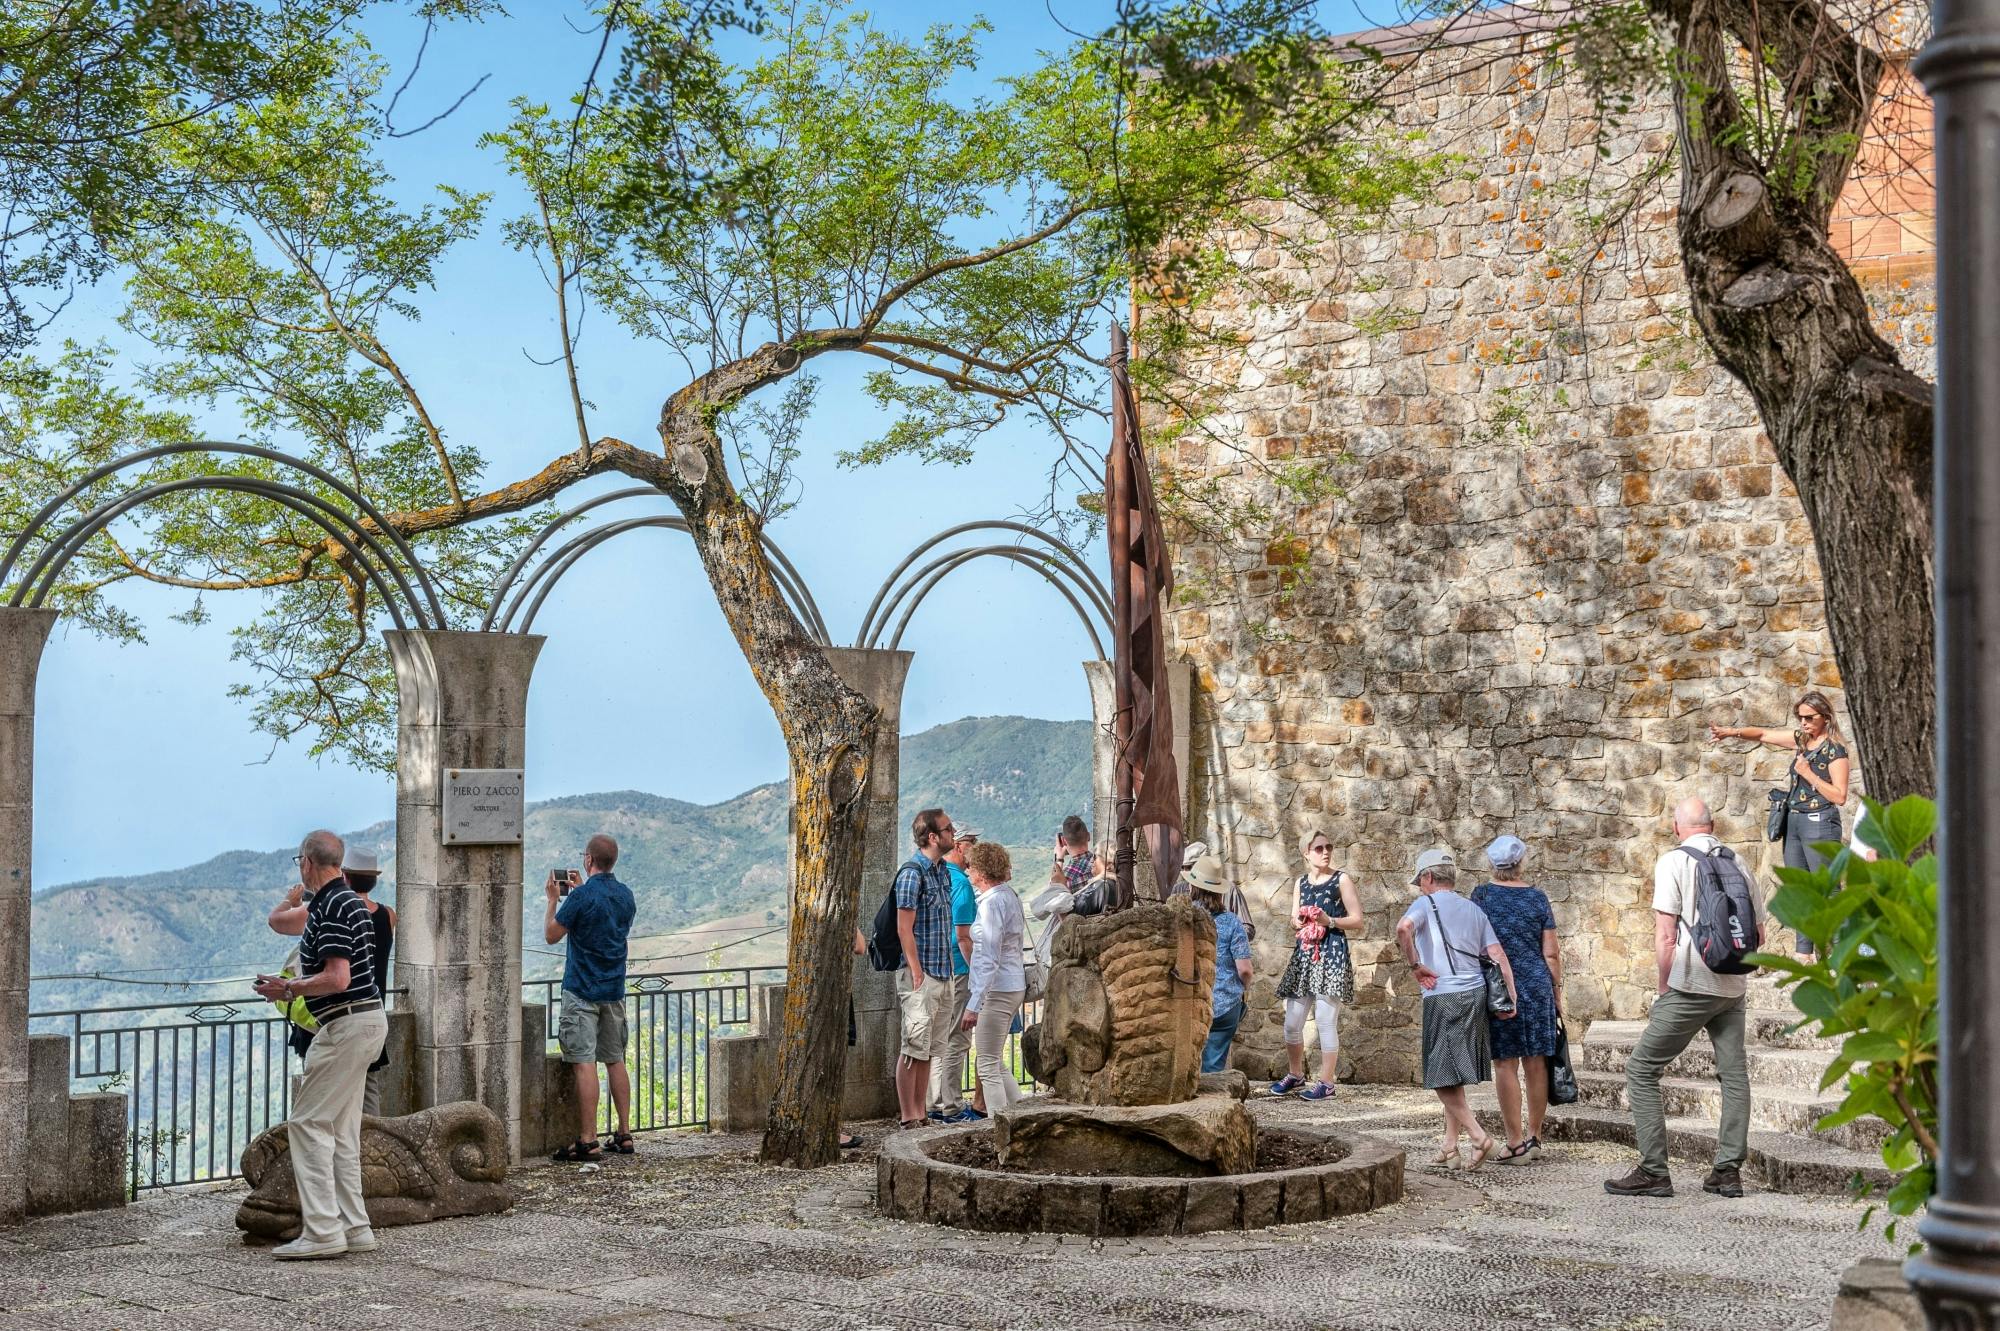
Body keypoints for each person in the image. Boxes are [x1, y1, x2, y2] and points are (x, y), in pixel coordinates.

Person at [1606, 796, 1764, 1199]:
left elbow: (1666, 935)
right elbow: (1759, 935)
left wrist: (1664, 988)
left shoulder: (1674, 862)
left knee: (1641, 1069)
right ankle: (1727, 1172)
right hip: (1733, 986)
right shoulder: (1739, 862)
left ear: (1677, 827)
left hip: (1692, 983)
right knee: (1734, 1076)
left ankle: (1654, 1170)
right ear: (1713, 825)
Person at [251, 830, 386, 1259]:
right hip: (368, 1020)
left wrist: (289, 989)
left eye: (300, 862)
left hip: (345, 1025)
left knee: (307, 1124)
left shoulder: (329, 906)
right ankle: (355, 1226)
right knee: (343, 1129)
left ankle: (323, 1231)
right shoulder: (351, 901)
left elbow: (337, 977)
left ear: (308, 863)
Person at [1395, 847, 1515, 1171]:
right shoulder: (1473, 909)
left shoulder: (1425, 903)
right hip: (1475, 994)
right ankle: (1450, 1146)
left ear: (1429, 877)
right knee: (1452, 1073)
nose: (1420, 887)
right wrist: (1509, 999)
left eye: (1420, 880)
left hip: (1443, 995)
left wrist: (1415, 966)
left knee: (1440, 1075)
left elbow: (1403, 929)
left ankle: (1479, 1137)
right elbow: (1498, 955)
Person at [1709, 690, 1849, 952]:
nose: (1803, 722)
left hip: (1820, 821)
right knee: (1798, 888)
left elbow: (1840, 796)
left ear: (1826, 717)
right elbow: (1763, 735)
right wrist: (1730, 732)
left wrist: (1809, 774)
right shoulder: (1801, 740)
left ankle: (1843, 954)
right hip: (1794, 822)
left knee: (1828, 889)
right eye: (1799, 717)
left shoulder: (1835, 751)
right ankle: (1803, 953)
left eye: (1809, 717)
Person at [1468, 835, 1562, 1165]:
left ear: (1491, 864)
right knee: (1536, 1061)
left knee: (1504, 1063)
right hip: (1536, 985)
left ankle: (1515, 1141)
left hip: (1499, 987)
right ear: (1522, 862)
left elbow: (1472, 942)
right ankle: (1535, 1136)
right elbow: (1550, 952)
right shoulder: (1537, 898)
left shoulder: (1480, 896)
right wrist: (1557, 994)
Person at [544, 833, 637, 1163]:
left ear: (588, 860)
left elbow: (552, 935)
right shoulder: (626, 897)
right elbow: (604, 922)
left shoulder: (581, 897)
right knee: (615, 1060)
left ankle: (588, 1140)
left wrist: (554, 899)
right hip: (614, 991)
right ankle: (624, 1134)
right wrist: (581, 890)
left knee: (584, 1063)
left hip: (582, 991)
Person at [1268, 829, 1363, 1100]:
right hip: (1305, 955)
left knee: (1325, 1021)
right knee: (1292, 1022)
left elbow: (1357, 920)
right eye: (1319, 848)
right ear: (1306, 853)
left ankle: (1326, 1083)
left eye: (1328, 847)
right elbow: (1293, 916)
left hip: (1332, 953)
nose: (1325, 852)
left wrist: (1329, 921)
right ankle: (1296, 1075)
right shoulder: (1301, 882)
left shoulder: (1341, 880)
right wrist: (1296, 921)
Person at [895, 808, 958, 1130]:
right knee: (913, 1047)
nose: (953, 833)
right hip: (922, 973)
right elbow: (904, 927)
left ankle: (920, 1112)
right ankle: (908, 1116)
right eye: (948, 829)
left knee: (930, 1048)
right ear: (932, 836)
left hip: (942, 970)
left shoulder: (942, 871)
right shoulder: (912, 873)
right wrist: (916, 971)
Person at [959, 841, 1027, 1114]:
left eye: (971, 866)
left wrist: (974, 1004)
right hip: (1011, 985)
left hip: (997, 989)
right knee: (995, 1060)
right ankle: (1019, 1112)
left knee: (986, 1063)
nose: (967, 871)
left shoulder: (991, 904)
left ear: (982, 872)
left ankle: (998, 1126)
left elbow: (988, 957)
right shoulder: (1007, 896)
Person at [928, 825, 982, 1123]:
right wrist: (977, 972)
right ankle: (951, 1105)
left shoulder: (937, 875)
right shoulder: (960, 883)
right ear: (960, 846)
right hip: (960, 969)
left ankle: (935, 1102)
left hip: (939, 966)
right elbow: (963, 936)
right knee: (958, 1040)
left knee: (940, 1038)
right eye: (973, 842)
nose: (977, 846)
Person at [1187, 854, 1253, 1074]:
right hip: (1224, 1005)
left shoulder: (1182, 920)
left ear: (1193, 886)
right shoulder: (1233, 922)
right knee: (1212, 1069)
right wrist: (1244, 989)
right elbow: (1244, 969)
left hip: (1189, 1002)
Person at [1052, 814, 1099, 891]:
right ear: (1088, 836)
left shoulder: (1065, 878)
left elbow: (1051, 894)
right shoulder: (1103, 863)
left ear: (1063, 841)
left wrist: (1059, 859)